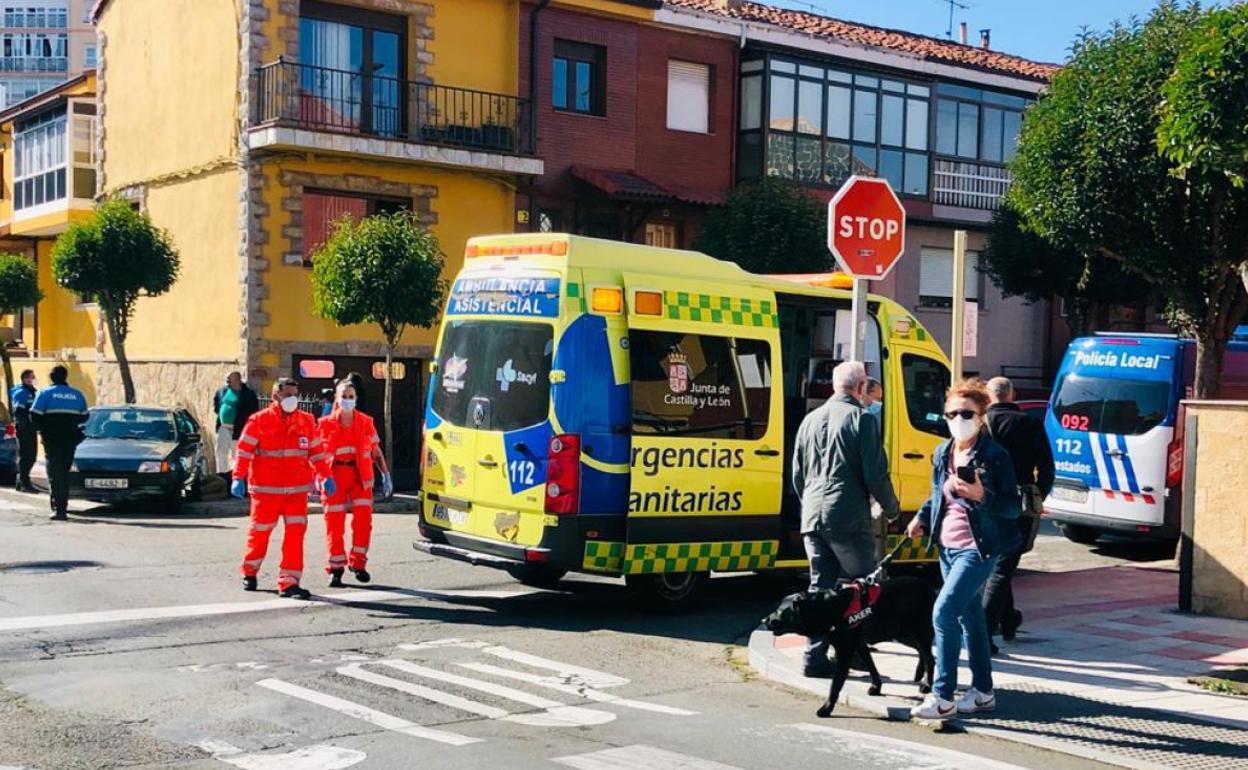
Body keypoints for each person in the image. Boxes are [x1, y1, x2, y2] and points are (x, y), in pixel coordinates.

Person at [907, 379, 1020, 720]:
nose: (959, 418)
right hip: (947, 546)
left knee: (943, 613)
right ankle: (983, 692)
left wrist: (982, 496)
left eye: (967, 413)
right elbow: (935, 494)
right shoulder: (943, 452)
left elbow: (1013, 508)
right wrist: (921, 517)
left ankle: (943, 697)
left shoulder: (996, 456)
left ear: (982, 415)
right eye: (952, 413)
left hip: (979, 547)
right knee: (972, 620)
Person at [792, 360, 900, 677]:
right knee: (866, 586)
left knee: (820, 587)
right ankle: (855, 651)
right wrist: (892, 508)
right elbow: (875, 474)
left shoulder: (809, 420)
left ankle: (813, 658)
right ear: (860, 386)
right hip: (847, 515)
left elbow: (798, 475)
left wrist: (811, 504)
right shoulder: (862, 420)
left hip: (812, 514)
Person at [232, 377, 336, 599]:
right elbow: (244, 451)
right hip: (265, 491)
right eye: (288, 395)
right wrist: (237, 477)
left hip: (296, 492)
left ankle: (289, 582)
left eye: (295, 395)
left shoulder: (306, 421)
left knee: (295, 536)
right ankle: (249, 571)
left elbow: (317, 453)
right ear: (275, 396)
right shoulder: (258, 421)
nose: (292, 399)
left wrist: (326, 476)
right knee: (259, 533)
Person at [982, 376, 1055, 649]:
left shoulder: (979, 424)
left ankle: (1009, 619)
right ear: (1011, 395)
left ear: (989, 396)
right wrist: (1038, 494)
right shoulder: (1030, 423)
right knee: (1003, 566)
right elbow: (1047, 467)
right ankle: (985, 631)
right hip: (1020, 499)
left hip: (985, 500)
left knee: (1002, 563)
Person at [318, 379, 393, 587]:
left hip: (360, 477)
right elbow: (316, 455)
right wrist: (320, 477)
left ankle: (358, 563)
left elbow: (375, 452)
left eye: (351, 397)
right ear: (336, 398)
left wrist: (385, 474)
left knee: (363, 523)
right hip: (335, 477)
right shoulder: (325, 424)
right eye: (344, 396)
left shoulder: (366, 422)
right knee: (334, 524)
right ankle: (335, 568)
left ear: (356, 399)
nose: (348, 400)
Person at [30, 365, 88, 521]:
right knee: (64, 472)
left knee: (55, 474)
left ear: (51, 378)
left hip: (52, 440)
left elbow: (34, 415)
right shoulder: (77, 395)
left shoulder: (45, 394)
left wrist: (43, 429)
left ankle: (59, 510)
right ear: (65, 377)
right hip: (70, 440)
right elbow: (84, 417)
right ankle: (63, 506)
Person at [213, 371, 260, 477]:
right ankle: (221, 475)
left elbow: (253, 412)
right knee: (221, 452)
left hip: (239, 429)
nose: (228, 382)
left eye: (230, 380)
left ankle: (237, 476)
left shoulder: (248, 394)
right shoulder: (223, 391)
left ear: (238, 380)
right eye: (227, 380)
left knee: (237, 454)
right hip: (223, 427)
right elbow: (217, 403)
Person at [10, 369, 38, 492]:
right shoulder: (22, 392)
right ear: (25, 379)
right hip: (25, 429)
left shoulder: (30, 392)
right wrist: (24, 426)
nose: (33, 379)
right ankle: (24, 482)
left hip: (30, 428)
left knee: (30, 456)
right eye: (31, 377)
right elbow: (19, 411)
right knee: (27, 456)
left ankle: (21, 481)